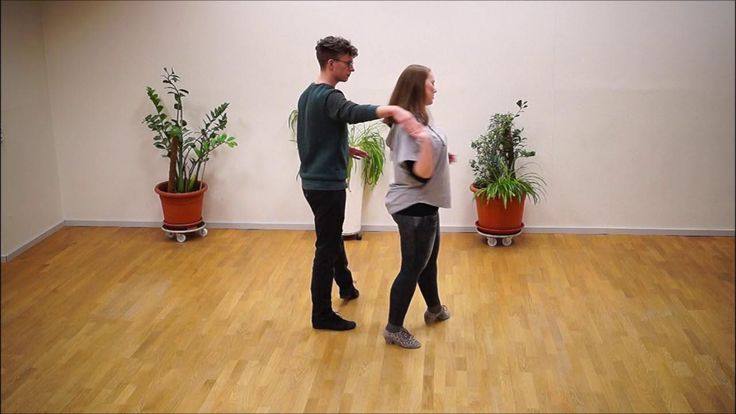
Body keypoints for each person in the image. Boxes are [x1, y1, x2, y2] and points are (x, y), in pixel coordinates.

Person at [297, 36, 424, 331]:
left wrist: (344, 148)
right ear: (331, 64)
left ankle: (346, 286)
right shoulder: (331, 97)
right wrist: (392, 110)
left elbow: (314, 136)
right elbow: (351, 113)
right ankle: (322, 314)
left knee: (331, 236)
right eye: (348, 63)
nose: (352, 69)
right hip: (326, 185)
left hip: (314, 182)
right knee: (326, 247)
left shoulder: (308, 95)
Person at [382, 64, 455, 348]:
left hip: (425, 204)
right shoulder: (408, 127)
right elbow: (419, 173)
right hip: (414, 207)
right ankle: (393, 328)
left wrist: (439, 157)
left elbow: (424, 159)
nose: (436, 88)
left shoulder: (420, 118)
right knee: (412, 267)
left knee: (427, 261)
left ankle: (434, 309)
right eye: (431, 83)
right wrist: (427, 148)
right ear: (417, 87)